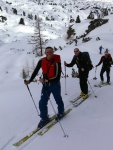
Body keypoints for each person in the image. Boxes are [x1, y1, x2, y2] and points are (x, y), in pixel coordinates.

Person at [24, 47, 64, 128]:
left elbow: (57, 76)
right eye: (47, 52)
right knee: (42, 102)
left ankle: (61, 112)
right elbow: (36, 71)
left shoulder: (57, 62)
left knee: (58, 99)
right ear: (45, 53)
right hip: (45, 85)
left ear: (53, 53)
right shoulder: (42, 61)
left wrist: (45, 80)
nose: (49, 53)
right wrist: (30, 80)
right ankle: (44, 118)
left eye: (50, 52)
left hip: (55, 84)